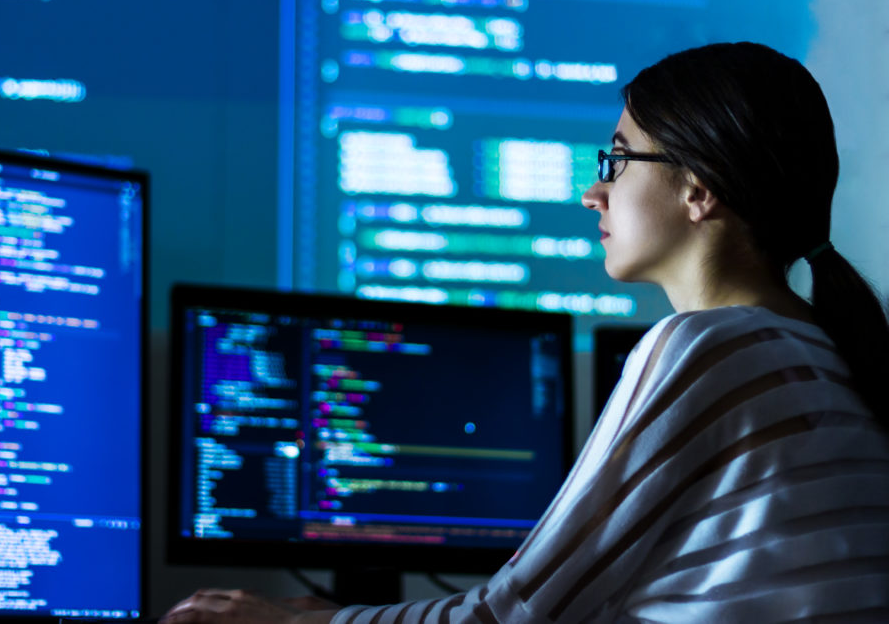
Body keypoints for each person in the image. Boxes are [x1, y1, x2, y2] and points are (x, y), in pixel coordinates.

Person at [162, 42, 889, 623]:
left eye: (617, 157)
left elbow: (512, 615)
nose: (591, 190)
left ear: (699, 188)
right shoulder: (821, 351)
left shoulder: (709, 346)